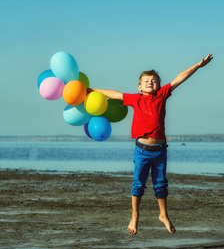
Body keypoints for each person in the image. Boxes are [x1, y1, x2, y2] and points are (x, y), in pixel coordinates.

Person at [89, 54, 213, 235]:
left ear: (159, 85)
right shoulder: (135, 99)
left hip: (160, 151)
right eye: (146, 81)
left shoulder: (162, 95)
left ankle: (163, 215)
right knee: (137, 185)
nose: (150, 83)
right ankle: (135, 215)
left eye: (154, 81)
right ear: (139, 86)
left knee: (161, 184)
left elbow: (180, 78)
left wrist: (197, 66)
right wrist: (92, 90)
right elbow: (114, 94)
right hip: (142, 151)